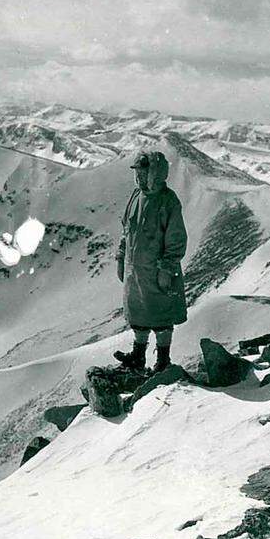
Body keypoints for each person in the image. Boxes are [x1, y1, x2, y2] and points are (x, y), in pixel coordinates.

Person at [113, 151, 188, 373]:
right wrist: (120, 257)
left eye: (143, 172)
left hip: (157, 270)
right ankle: (138, 356)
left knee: (161, 314)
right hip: (135, 269)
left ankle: (163, 361)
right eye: (137, 172)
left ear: (155, 172)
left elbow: (176, 238)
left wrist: (166, 268)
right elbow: (127, 230)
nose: (139, 176)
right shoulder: (136, 196)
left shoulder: (168, 200)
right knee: (138, 311)